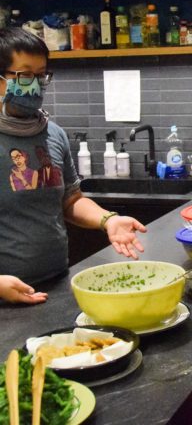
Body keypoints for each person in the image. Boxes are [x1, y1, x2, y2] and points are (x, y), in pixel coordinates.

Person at [0, 28, 147, 304]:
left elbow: (70, 200)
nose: (36, 84)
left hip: (55, 283)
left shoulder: (53, 134)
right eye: (25, 74)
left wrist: (109, 220)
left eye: (41, 74)